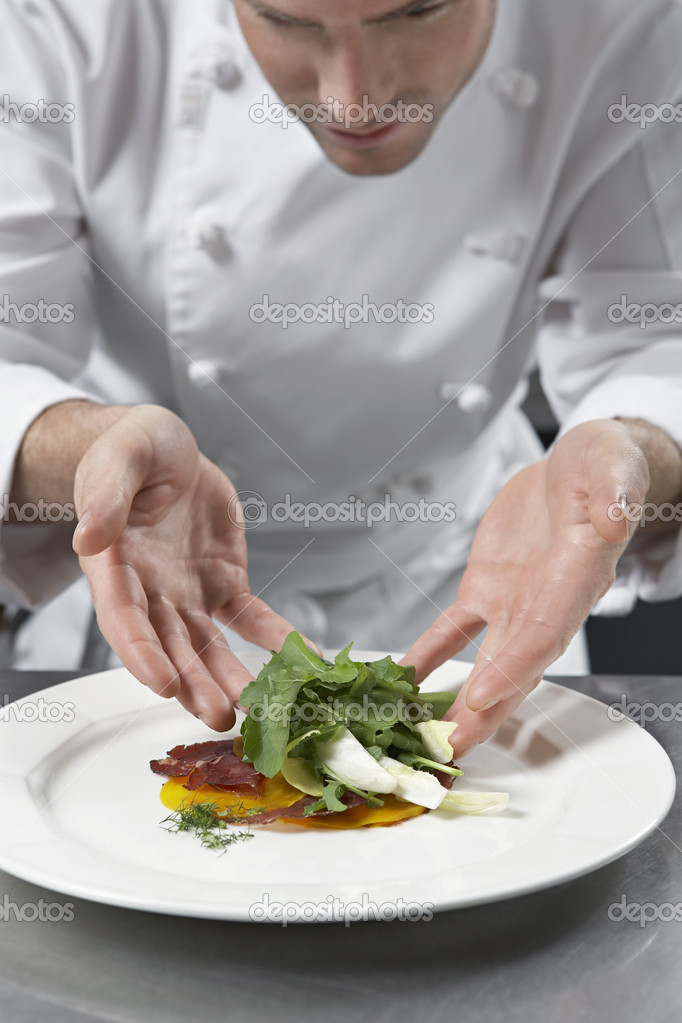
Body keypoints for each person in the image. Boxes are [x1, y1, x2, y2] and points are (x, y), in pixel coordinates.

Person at [1, 0, 682, 758]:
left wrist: (633, 451)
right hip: (165, 612)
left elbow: (656, 336)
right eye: (285, 21)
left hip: (476, 590)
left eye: (416, 13)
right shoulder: (59, 17)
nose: (352, 100)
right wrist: (89, 449)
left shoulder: (625, 20)